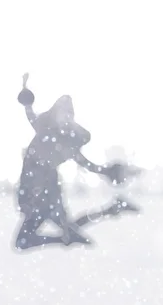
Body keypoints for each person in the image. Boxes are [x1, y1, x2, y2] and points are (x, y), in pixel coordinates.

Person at [15, 73, 141, 251]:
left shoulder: (68, 143)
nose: (65, 118)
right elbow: (29, 111)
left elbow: (88, 165)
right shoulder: (44, 127)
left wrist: (110, 172)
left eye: (68, 115)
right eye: (62, 113)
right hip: (32, 186)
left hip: (45, 187)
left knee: (28, 240)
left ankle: (100, 216)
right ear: (55, 113)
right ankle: (108, 211)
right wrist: (25, 89)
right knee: (52, 233)